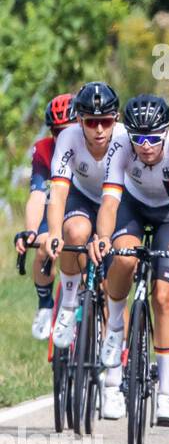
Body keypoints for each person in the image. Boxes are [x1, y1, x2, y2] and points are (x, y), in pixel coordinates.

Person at [91, 95, 169, 427]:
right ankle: (116, 325)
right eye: (139, 138)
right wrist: (104, 237)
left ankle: (166, 391)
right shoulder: (120, 145)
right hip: (132, 208)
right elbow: (109, 203)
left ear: (166, 133)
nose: (146, 145)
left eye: (153, 138)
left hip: (168, 213)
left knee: (163, 296)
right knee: (123, 259)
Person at [45, 83, 130, 412]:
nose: (97, 129)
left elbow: (111, 201)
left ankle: (112, 382)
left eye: (105, 121)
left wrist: (105, 238)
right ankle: (67, 303)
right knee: (74, 232)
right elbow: (59, 193)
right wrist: (54, 232)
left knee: (112, 284)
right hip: (82, 197)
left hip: (119, 200)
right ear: (78, 120)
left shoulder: (123, 139)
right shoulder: (67, 138)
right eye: (90, 121)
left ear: (115, 120)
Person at [20, 93, 74, 340]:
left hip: (83, 210)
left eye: (68, 131)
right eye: (56, 131)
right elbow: (38, 195)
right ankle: (44, 304)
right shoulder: (44, 150)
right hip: (54, 208)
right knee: (43, 245)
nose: (61, 137)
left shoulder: (94, 146)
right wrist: (31, 230)